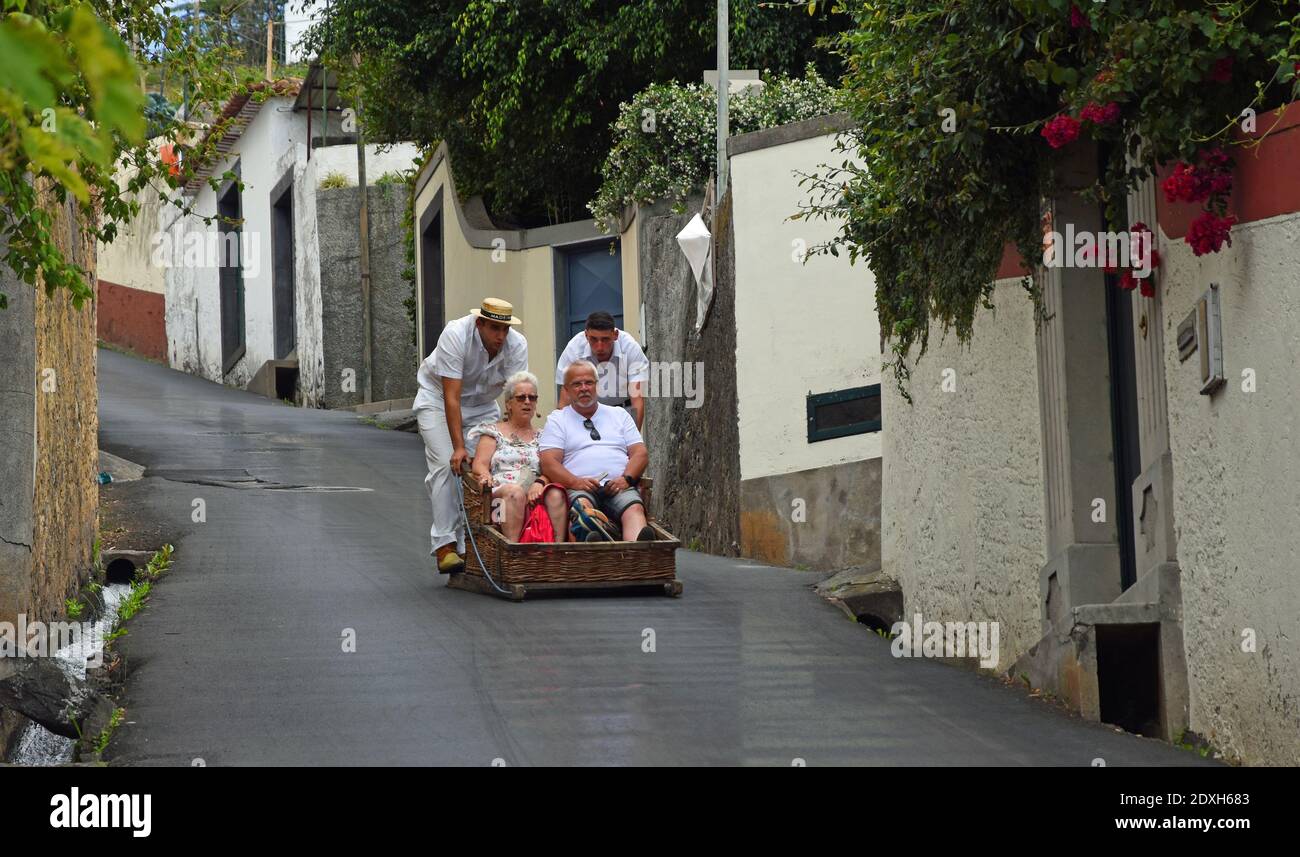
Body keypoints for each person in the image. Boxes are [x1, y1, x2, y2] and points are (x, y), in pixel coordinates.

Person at [415, 297, 528, 573]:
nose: (501, 337)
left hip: (484, 407)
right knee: (448, 464)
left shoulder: (517, 345)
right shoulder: (455, 335)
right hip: (438, 400)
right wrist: (458, 447)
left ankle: (482, 542)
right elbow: (451, 398)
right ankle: (446, 546)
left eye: (505, 330)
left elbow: (515, 395)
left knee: (489, 469)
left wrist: (515, 436)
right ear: (480, 324)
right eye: (494, 329)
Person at [539, 361, 655, 542]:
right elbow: (548, 462)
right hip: (579, 488)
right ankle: (594, 536)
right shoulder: (557, 420)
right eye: (577, 384)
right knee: (583, 509)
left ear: (597, 386)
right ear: (567, 390)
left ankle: (635, 553)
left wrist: (626, 479)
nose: (584, 388)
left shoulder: (619, 415)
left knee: (634, 509)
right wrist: (575, 482)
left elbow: (640, 453)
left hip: (618, 485)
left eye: (589, 383)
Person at [467, 371, 556, 542]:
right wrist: (484, 475)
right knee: (514, 492)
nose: (528, 402)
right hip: (497, 500)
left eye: (532, 397)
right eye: (521, 398)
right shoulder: (493, 432)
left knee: (556, 495)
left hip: (533, 493)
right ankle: (513, 553)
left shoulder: (545, 437)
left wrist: (540, 483)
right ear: (508, 404)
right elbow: (479, 464)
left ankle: (556, 554)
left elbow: (552, 468)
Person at [555, 311, 650, 430]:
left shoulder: (630, 348)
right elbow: (565, 400)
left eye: (605, 339)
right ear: (586, 335)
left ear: (615, 335)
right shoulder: (573, 349)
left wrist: (633, 441)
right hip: (587, 411)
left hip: (624, 412)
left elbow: (637, 400)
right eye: (593, 339)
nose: (599, 347)